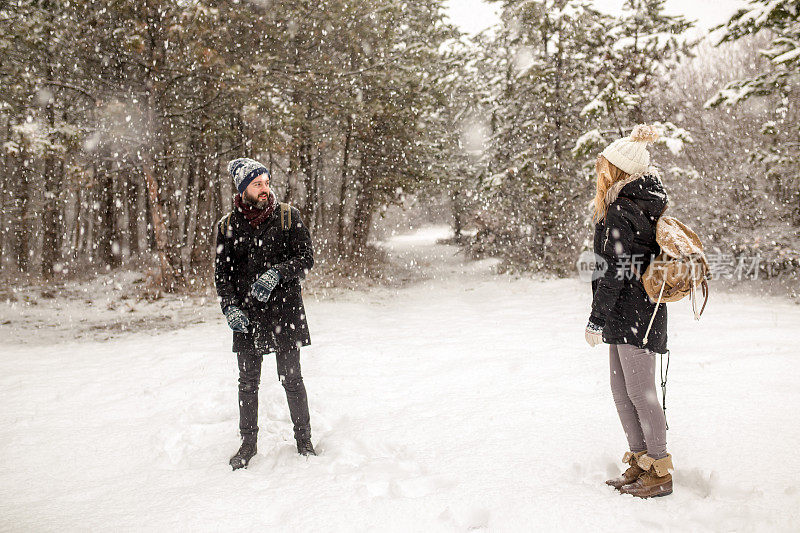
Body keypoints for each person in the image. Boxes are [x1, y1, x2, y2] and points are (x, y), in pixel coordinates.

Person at [584, 124, 673, 498]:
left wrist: (596, 318)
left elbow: (614, 272)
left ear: (618, 170)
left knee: (639, 392)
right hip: (635, 310)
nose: (600, 171)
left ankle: (660, 469)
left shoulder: (623, 208)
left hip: (633, 311)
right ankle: (640, 460)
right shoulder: (636, 204)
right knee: (623, 392)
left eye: (605, 165)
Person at [215, 157, 316, 470]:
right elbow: (223, 274)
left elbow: (306, 258)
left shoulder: (288, 216)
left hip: (285, 310)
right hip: (247, 315)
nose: (264, 189)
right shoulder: (227, 225)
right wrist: (229, 306)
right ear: (243, 188)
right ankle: (248, 442)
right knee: (247, 382)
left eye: (266, 182)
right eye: (257, 183)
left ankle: (304, 439)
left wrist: (278, 273)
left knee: (292, 379)